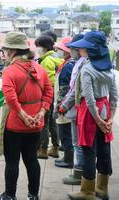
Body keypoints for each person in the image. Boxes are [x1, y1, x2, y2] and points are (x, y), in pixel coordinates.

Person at [0, 32, 53, 200]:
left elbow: (10, 97)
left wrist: (22, 114)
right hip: (36, 123)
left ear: (12, 51)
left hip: (15, 124)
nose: (4, 53)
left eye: (5, 50)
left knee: (12, 162)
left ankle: (10, 195)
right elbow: (48, 92)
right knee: (32, 160)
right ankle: (33, 195)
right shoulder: (39, 68)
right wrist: (41, 112)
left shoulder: (10, 70)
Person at [66, 31, 118, 200]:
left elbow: (88, 99)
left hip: (90, 114)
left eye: (83, 48)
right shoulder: (109, 68)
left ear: (90, 50)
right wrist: (109, 119)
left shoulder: (87, 69)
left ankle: (87, 191)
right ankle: (102, 189)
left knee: (88, 150)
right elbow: (114, 95)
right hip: (104, 111)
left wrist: (98, 119)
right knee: (104, 150)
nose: (80, 50)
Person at [58, 34, 86, 185]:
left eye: (73, 48)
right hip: (80, 106)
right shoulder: (80, 62)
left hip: (80, 106)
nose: (71, 51)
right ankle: (82, 172)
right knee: (79, 142)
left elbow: (75, 89)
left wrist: (63, 104)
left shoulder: (82, 64)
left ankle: (79, 172)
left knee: (79, 142)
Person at [35, 35, 63, 159]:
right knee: (53, 121)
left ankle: (43, 149)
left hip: (47, 94)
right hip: (56, 94)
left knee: (44, 122)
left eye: (38, 46)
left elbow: (45, 81)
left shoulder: (46, 61)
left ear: (44, 47)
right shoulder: (57, 57)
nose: (37, 49)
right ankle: (55, 148)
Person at [52, 36, 75, 169]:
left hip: (64, 106)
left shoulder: (67, 66)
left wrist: (60, 106)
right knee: (65, 132)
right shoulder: (66, 63)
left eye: (60, 49)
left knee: (65, 132)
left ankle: (68, 160)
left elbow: (64, 89)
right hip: (64, 104)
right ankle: (67, 157)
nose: (58, 51)